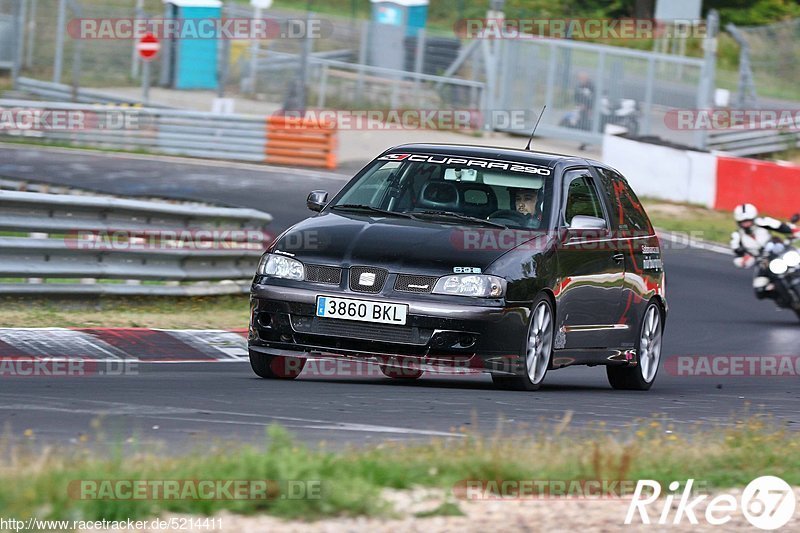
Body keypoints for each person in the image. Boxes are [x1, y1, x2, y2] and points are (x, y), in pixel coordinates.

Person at [730, 203, 799, 297]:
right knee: (760, 289)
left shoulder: (763, 222)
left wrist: (794, 232)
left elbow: (782, 227)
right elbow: (737, 253)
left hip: (779, 251)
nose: (746, 224)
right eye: (743, 221)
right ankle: (783, 298)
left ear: (753, 218)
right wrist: (744, 259)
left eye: (748, 220)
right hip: (763, 262)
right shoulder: (737, 236)